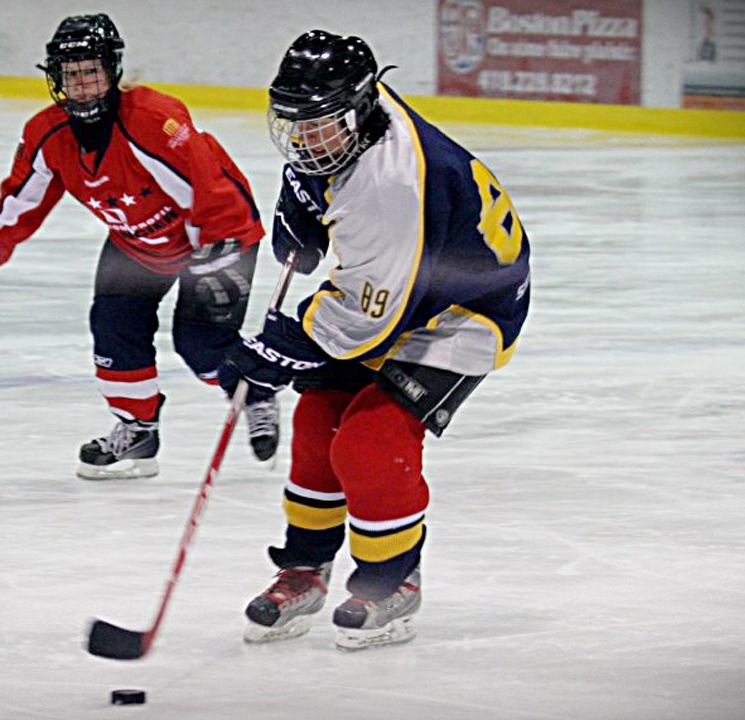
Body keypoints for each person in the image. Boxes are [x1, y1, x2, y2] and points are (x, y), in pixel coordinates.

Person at [218, 30, 531, 651]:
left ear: (358, 111)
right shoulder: (349, 119)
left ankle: (393, 580)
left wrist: (279, 346)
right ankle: (304, 569)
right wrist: (304, 197)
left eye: (318, 126)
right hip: (406, 274)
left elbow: (362, 319)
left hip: (465, 308)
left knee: (369, 439)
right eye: (295, 122)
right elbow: (325, 162)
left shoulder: (390, 188)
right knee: (315, 424)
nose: (303, 138)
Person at [0, 13, 271, 481]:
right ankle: (138, 428)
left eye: (90, 71)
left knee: (201, 344)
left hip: (217, 236)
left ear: (112, 70)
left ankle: (255, 392)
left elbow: (210, 190)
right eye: (70, 73)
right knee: (113, 327)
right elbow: (22, 200)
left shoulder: (152, 121)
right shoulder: (49, 133)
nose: (80, 84)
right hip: (136, 244)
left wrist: (216, 256)